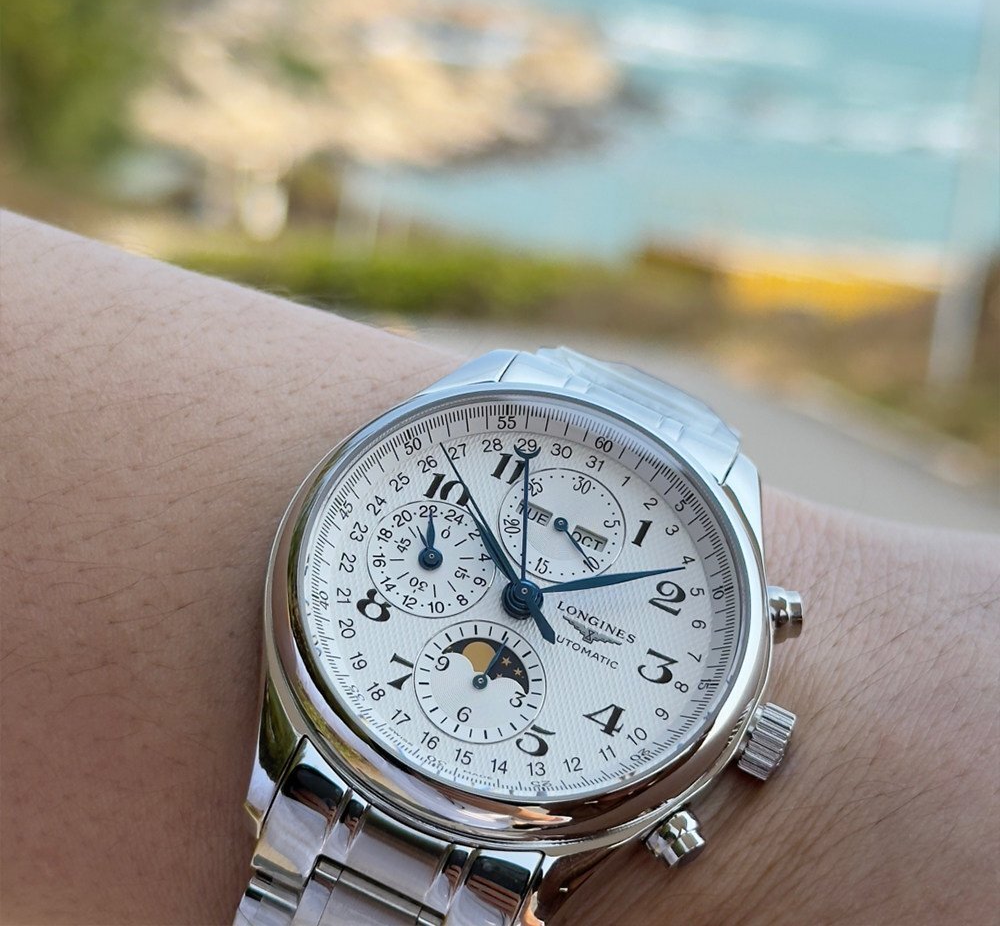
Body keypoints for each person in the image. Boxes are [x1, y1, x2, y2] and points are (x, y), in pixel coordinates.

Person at [1, 210, 997, 925]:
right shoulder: (460, 450)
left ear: (749, 703)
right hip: (317, 766)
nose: (522, 594)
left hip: (505, 848)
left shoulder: (684, 707)